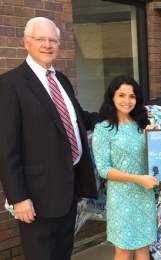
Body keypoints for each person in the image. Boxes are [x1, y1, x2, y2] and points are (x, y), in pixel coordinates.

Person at [0, 17, 99, 260]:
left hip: (69, 188)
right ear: (26, 42)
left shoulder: (61, 79)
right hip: (36, 196)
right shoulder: (9, 84)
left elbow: (79, 118)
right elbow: (6, 147)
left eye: (52, 40)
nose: (47, 45)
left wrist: (117, 117)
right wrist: (19, 198)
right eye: (40, 39)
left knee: (63, 253)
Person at [92, 75, 160, 260]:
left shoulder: (143, 126)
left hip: (144, 196)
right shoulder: (103, 129)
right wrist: (138, 179)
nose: (127, 101)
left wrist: (152, 141)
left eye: (132, 96)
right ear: (112, 97)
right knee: (123, 251)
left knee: (143, 250)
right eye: (121, 95)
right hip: (121, 198)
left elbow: (154, 162)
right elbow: (104, 169)